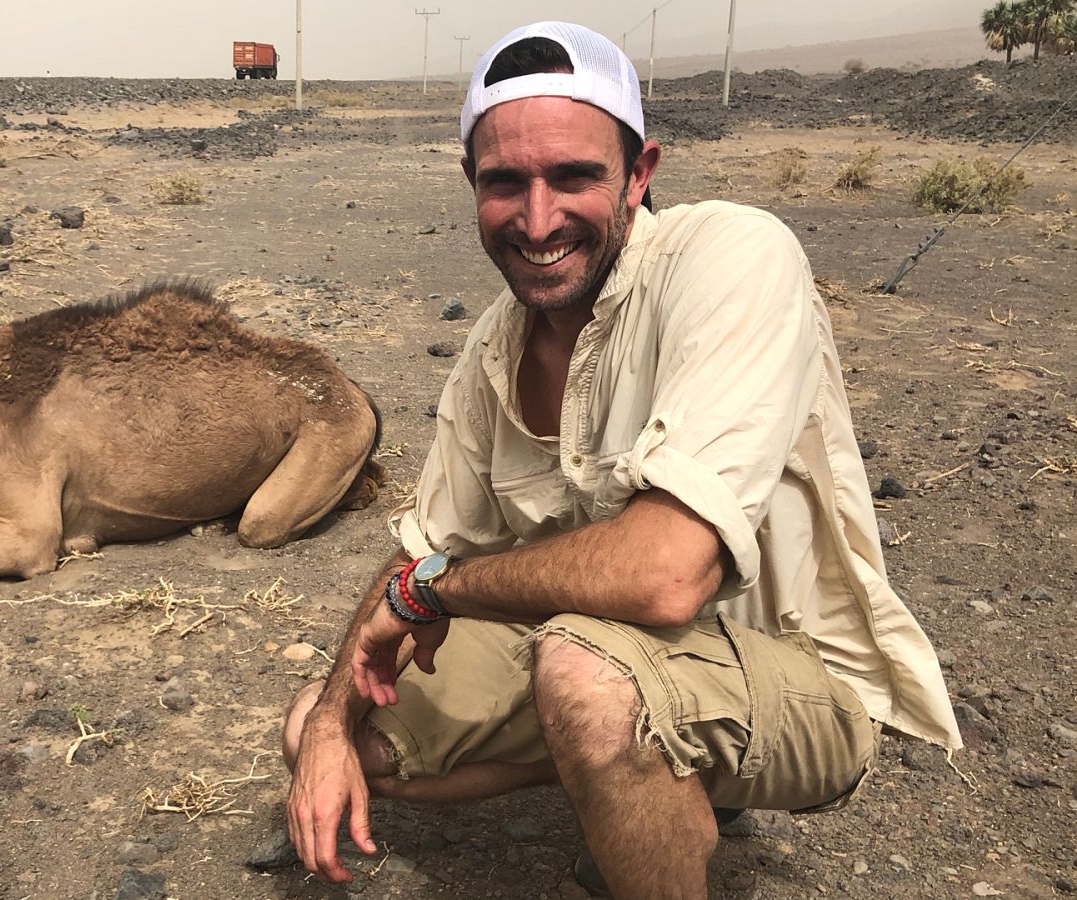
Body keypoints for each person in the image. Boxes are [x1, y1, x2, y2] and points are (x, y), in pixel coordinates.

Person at [282, 21, 961, 898]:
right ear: (469, 186)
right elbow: (419, 554)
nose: (537, 220)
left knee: (585, 681)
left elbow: (664, 579)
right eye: (505, 183)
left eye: (573, 176)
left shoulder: (730, 257)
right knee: (320, 727)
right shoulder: (493, 353)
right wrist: (338, 715)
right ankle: (623, 774)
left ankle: (642, 772)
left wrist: (440, 590)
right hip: (605, 653)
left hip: (793, 675)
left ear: (640, 173)